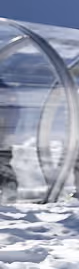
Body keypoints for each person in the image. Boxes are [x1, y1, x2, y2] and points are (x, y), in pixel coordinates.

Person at [0, 74, 18, 202]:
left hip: (3, 136)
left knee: (3, 164)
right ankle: (9, 191)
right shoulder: (7, 91)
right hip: (5, 135)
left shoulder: (5, 91)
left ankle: (10, 191)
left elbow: (12, 114)